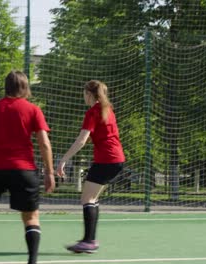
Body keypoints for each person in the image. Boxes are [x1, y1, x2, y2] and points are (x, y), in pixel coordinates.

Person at [0, 70, 55, 264]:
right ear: (25, 87)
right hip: (23, 170)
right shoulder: (33, 110)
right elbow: (45, 144)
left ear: (6, 87)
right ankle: (32, 261)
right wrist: (50, 172)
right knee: (31, 218)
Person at [56, 80, 125, 253]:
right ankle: (90, 239)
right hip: (115, 160)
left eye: (84, 93)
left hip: (106, 160)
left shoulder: (93, 112)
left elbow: (82, 140)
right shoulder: (108, 109)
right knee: (92, 199)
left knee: (87, 199)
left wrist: (63, 159)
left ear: (89, 94)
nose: (83, 96)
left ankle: (89, 241)